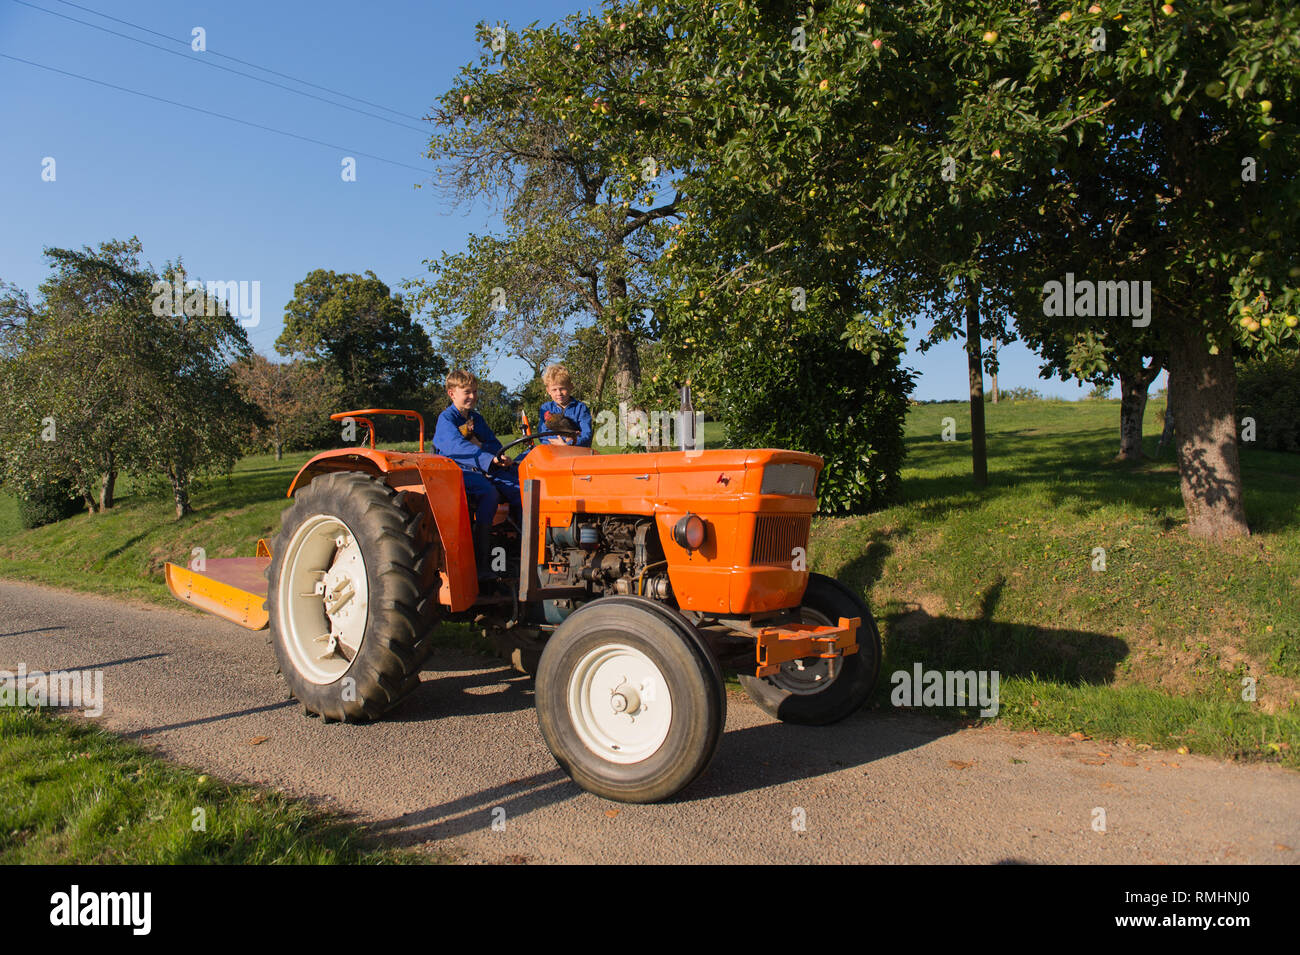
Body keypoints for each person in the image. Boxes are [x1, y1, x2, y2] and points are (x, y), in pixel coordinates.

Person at [434, 369, 521, 583]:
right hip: (456, 469)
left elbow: (493, 444)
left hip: (482, 466)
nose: (472, 396)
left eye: (474, 391)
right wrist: (486, 457)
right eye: (467, 392)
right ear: (452, 393)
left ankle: (523, 551)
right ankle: (482, 562)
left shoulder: (476, 418)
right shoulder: (446, 419)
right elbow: (455, 446)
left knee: (520, 488)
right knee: (488, 492)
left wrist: (496, 457)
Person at [538, 364, 593, 447]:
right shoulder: (546, 408)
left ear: (571, 387)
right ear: (548, 391)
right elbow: (543, 434)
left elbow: (587, 435)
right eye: (554, 390)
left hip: (576, 450)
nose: (559, 393)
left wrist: (570, 443)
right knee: (523, 457)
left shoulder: (580, 408)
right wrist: (564, 440)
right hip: (552, 448)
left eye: (562, 389)